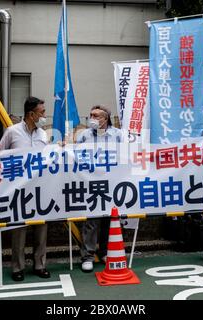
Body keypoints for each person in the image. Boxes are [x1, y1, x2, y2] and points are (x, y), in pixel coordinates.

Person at [0, 96, 51, 281]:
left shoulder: (43, 134)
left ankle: (40, 265)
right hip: (18, 190)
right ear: (31, 114)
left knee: (41, 228)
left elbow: (49, 157)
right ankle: (17, 268)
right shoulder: (12, 132)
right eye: (42, 113)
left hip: (40, 187)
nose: (44, 116)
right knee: (19, 229)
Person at [77, 105, 123, 272]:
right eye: (91, 115)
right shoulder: (84, 136)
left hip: (112, 183)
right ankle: (88, 256)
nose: (92, 118)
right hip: (91, 183)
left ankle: (104, 252)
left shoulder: (118, 135)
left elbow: (126, 156)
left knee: (109, 220)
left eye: (96, 116)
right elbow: (75, 156)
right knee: (91, 221)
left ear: (106, 118)